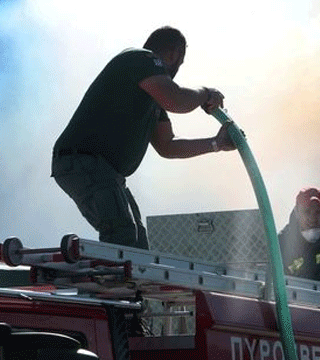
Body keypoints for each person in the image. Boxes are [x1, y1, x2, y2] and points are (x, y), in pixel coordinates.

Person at [51, 26, 236, 249]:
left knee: (137, 242)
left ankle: (125, 283)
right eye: (180, 61)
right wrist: (206, 92)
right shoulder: (142, 59)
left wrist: (216, 144)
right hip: (84, 162)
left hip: (100, 169)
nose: (177, 69)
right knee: (122, 234)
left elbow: (167, 146)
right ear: (174, 54)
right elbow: (176, 100)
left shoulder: (151, 94)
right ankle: (102, 282)